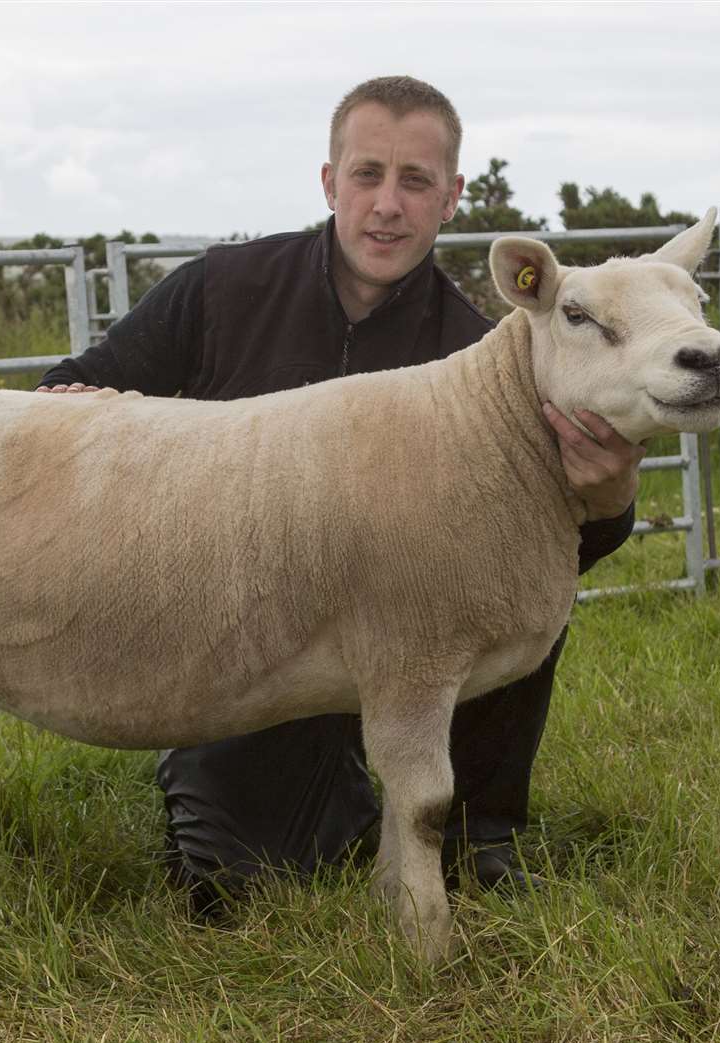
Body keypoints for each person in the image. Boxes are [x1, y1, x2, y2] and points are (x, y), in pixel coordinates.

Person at [35, 76, 644, 906]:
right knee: (236, 884)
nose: (387, 205)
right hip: (245, 641)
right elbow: (79, 388)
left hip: (410, 646)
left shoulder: (485, 354)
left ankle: (478, 828)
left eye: (416, 181)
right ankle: (280, 787)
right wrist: (68, 410)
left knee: (516, 590)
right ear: (330, 183)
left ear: (452, 198)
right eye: (368, 175)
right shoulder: (221, 289)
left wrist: (611, 502)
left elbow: (560, 534)